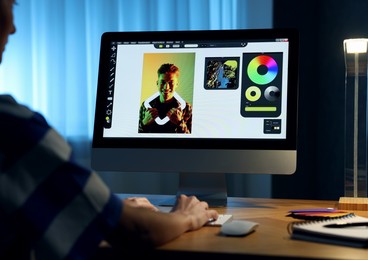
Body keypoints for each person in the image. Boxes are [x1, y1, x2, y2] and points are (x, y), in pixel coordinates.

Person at [0, 0, 218, 259]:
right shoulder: (15, 129)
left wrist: (100, 210)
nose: (13, 27)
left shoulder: (186, 107)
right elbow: (137, 231)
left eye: (171, 84)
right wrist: (186, 217)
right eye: (11, 5)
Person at [138, 63, 192, 133]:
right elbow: (134, 135)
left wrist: (180, 123)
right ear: (157, 83)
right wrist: (144, 123)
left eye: (171, 82)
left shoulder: (186, 108)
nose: (166, 87)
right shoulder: (146, 106)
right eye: (163, 82)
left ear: (176, 84)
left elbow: (193, 138)